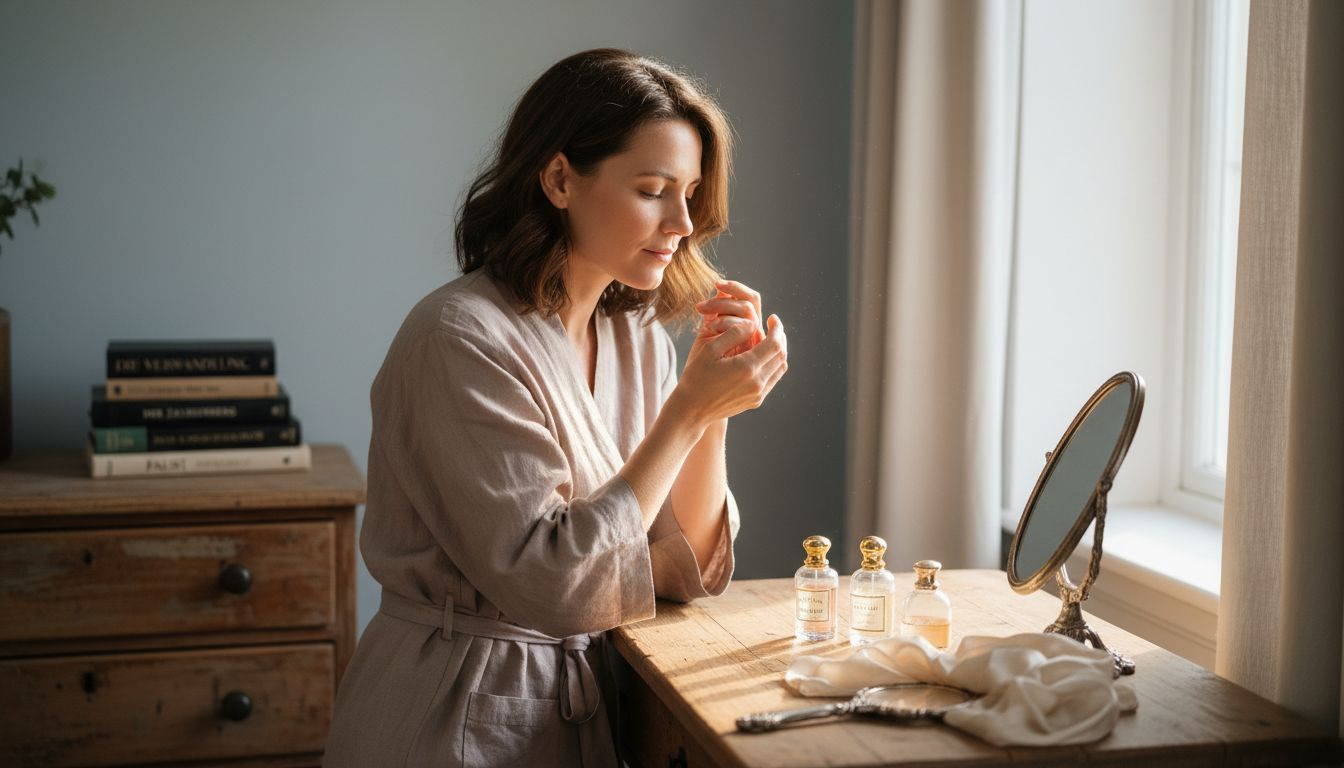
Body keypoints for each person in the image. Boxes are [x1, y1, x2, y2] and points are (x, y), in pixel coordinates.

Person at [323, 48, 788, 767]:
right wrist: (688, 414)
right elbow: (555, 584)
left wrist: (714, 403)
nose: (682, 222)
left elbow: (683, 566)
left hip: (585, 709)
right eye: (653, 190)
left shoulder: (636, 339)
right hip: (453, 715)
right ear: (561, 179)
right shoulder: (459, 339)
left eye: (691, 193)